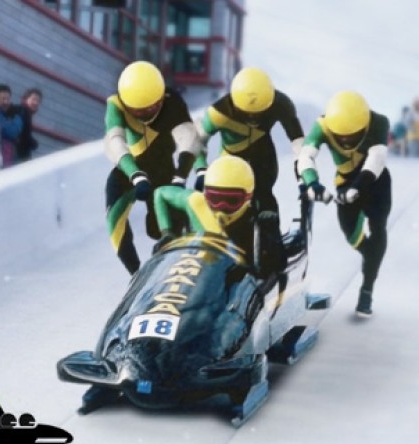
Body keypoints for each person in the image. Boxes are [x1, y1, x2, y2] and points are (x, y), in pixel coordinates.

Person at [195, 67, 305, 272]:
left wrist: (303, 175)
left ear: (270, 101)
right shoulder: (218, 112)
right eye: (247, 113)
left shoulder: (281, 104)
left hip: (262, 161)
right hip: (230, 165)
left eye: (259, 113)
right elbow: (196, 142)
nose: (253, 118)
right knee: (226, 208)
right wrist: (201, 170)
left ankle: (272, 255)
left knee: (265, 201)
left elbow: (298, 143)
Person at [297, 90, 391, 317]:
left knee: (378, 228)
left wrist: (356, 188)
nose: (346, 140)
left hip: (375, 183)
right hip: (346, 184)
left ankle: (367, 287)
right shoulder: (323, 125)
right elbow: (306, 155)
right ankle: (371, 257)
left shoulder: (379, 122)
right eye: (340, 136)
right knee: (351, 234)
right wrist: (313, 183)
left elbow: (376, 159)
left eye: (353, 135)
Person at [104, 60, 202, 275]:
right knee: (114, 217)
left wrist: (181, 175)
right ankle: (135, 273)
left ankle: (182, 263)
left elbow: (188, 137)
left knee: (161, 228)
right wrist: (135, 175)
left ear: (161, 98)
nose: (146, 115)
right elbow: (114, 141)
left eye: (152, 108)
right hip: (130, 168)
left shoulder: (172, 100)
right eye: (137, 112)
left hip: (162, 168)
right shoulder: (115, 104)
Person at [153, 155, 282, 280]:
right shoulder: (197, 202)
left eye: (231, 200)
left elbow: (276, 266)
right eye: (215, 199)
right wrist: (167, 233)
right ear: (206, 194)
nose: (221, 208)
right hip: (192, 271)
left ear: (248, 198)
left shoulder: (256, 224)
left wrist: (271, 237)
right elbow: (160, 193)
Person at [16, 88, 42, 162]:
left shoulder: (25, 112)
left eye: (38, 101)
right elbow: (22, 134)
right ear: (25, 99)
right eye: (33, 99)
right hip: (18, 155)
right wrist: (33, 144)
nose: (36, 103)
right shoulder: (23, 111)